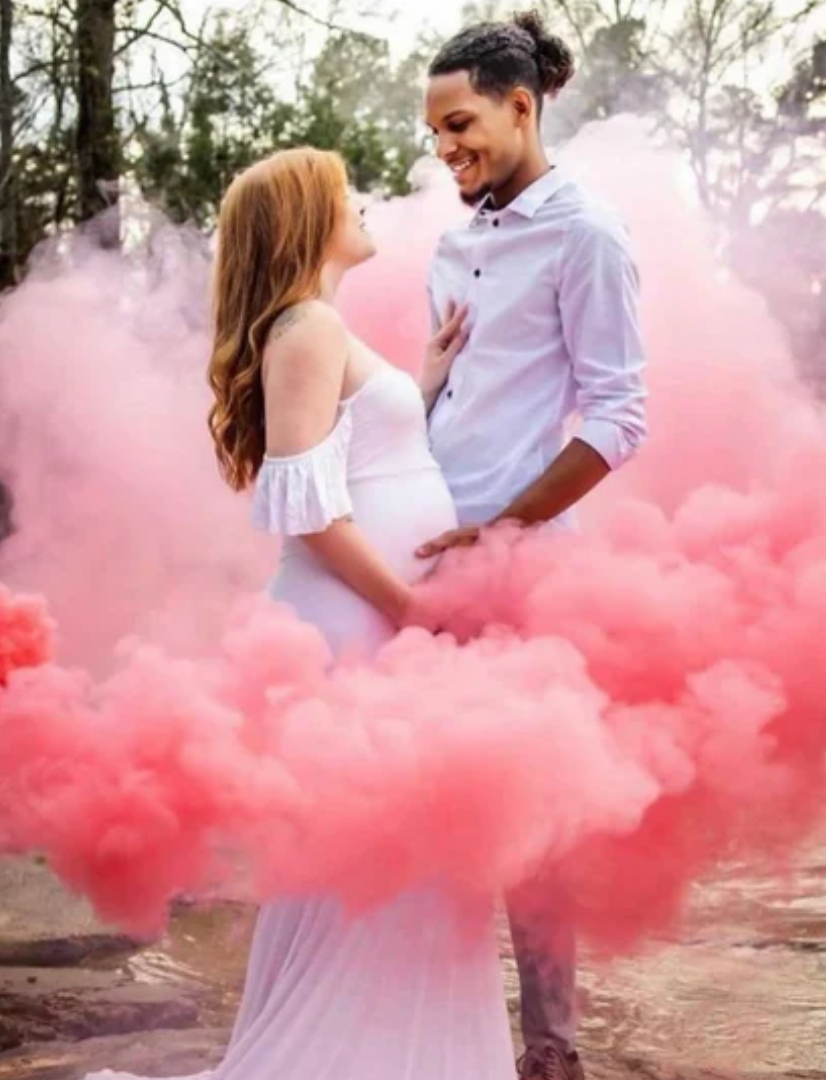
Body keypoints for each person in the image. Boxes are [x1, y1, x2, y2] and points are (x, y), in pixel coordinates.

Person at [83, 148, 514, 1080]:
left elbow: (361, 454)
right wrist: (410, 608)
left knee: (414, 858)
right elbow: (309, 507)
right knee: (384, 856)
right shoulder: (308, 328)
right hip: (362, 620)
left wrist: (424, 381)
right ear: (306, 222)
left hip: (376, 618)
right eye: (342, 192)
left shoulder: (319, 330)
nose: (360, 203)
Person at [419, 11, 649, 1080]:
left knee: (528, 824)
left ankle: (551, 1058)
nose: (445, 148)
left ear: (524, 105)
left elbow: (617, 418)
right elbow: (450, 404)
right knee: (421, 809)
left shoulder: (587, 232)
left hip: (520, 570)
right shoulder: (455, 240)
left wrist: (499, 526)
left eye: (460, 125)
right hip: (420, 561)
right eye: (434, 132)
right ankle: (433, 1043)